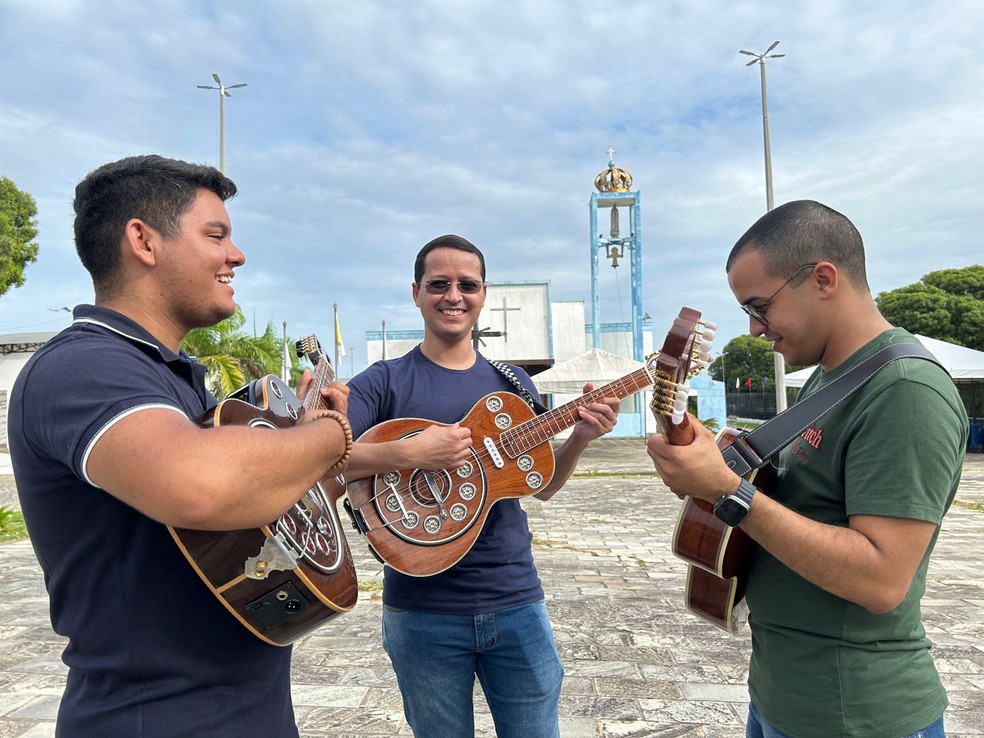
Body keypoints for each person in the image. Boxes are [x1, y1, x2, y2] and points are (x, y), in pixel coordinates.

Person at [7, 154, 352, 737]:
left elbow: (255, 505)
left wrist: (309, 449)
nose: (235, 256)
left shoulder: (170, 377)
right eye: (215, 235)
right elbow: (200, 486)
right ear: (143, 241)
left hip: (245, 708)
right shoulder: (84, 365)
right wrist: (330, 435)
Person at [647, 200, 969, 738]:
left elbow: (882, 579)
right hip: (784, 697)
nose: (753, 329)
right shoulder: (830, 378)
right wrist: (704, 464)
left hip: (855, 714)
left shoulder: (905, 390)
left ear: (822, 279)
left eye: (760, 306)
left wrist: (728, 491)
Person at [341, 234, 620, 737]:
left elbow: (541, 485)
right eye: (439, 284)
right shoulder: (382, 381)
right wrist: (406, 452)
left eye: (467, 285)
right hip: (421, 609)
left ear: (484, 293)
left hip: (516, 600)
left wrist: (579, 437)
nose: (454, 295)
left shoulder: (513, 383)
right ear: (416, 292)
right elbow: (324, 457)